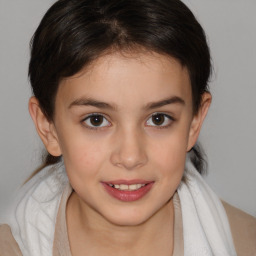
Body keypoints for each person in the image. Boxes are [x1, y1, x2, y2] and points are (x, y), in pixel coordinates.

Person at [0, 0, 255, 255]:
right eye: (96, 120)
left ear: (194, 123)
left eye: (158, 119)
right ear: (48, 128)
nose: (131, 157)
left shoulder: (246, 243)